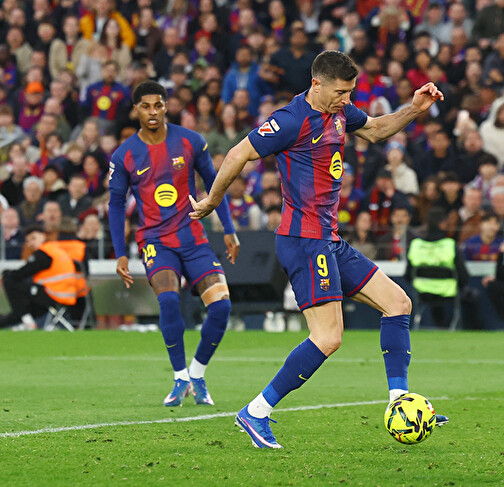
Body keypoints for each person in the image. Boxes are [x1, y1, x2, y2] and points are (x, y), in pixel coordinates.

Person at [189, 50, 448, 449]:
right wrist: (211, 200)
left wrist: (414, 108)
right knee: (328, 337)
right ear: (316, 84)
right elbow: (239, 152)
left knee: (398, 303)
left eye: (350, 92)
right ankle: (256, 411)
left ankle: (400, 403)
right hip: (303, 241)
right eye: (341, 92)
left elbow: (375, 129)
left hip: (329, 239)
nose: (347, 99)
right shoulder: (291, 119)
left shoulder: (339, 112)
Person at [108, 81, 240, 408]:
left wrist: (228, 228)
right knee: (168, 301)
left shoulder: (190, 141)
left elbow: (214, 184)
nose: (152, 112)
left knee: (221, 306)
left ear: (166, 107)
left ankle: (197, 374)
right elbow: (115, 205)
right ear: (136, 110)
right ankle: (180, 377)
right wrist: (120, 253)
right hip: (155, 240)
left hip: (192, 237)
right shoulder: (124, 155)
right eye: (145, 106)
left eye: (158, 105)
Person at [0, 225, 77, 331]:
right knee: (21, 311)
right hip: (66, 294)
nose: (31, 243)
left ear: (44, 235)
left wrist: (6, 274)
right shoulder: (55, 250)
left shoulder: (44, 253)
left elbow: (23, 273)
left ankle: (26, 321)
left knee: (10, 281)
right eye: (28, 241)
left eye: (33, 238)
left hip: (53, 294)